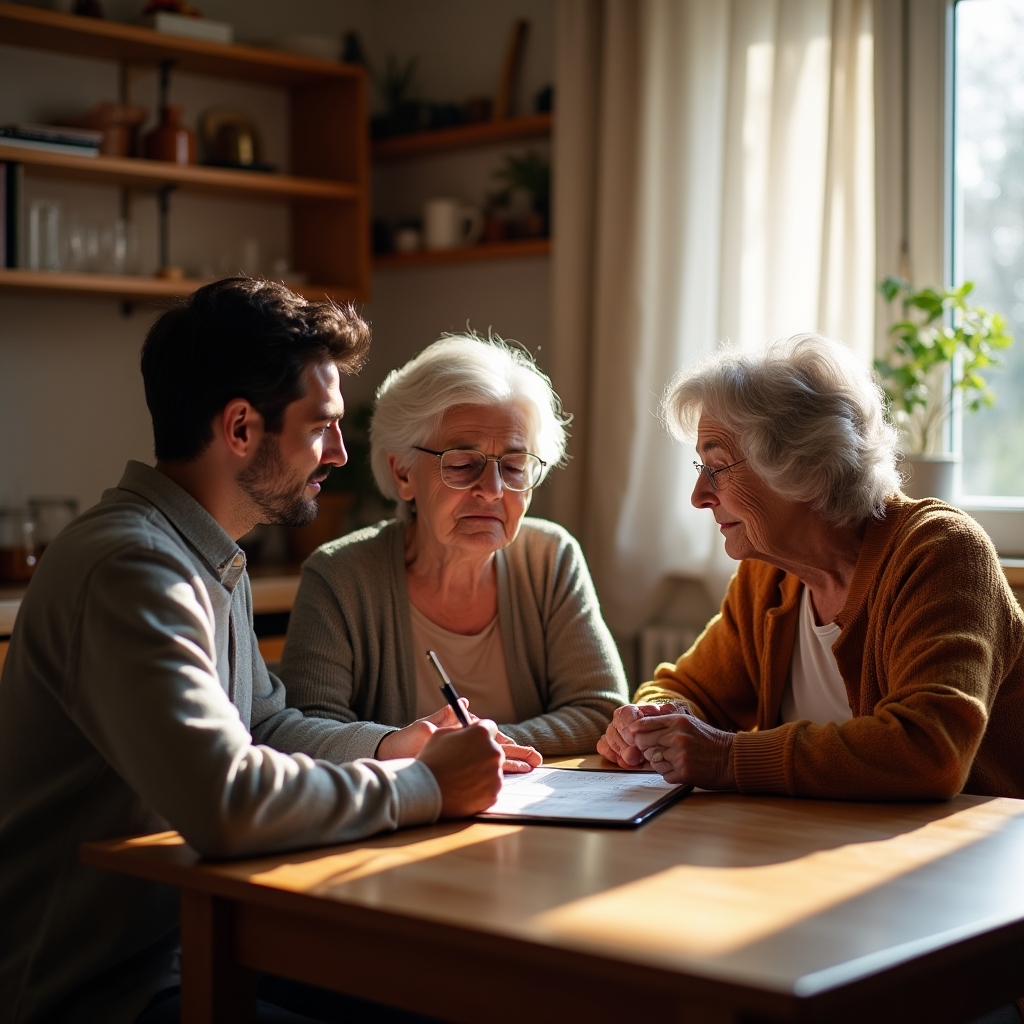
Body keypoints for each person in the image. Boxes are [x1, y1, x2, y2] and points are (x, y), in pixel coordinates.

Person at [0, 279, 505, 1024]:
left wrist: (399, 746)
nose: (338, 451)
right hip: (99, 990)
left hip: (204, 940)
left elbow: (264, 727)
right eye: (320, 426)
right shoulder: (132, 569)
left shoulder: (206, 555)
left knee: (449, 994)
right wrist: (425, 787)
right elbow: (226, 800)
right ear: (240, 428)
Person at [598, 333, 1024, 800]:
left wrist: (726, 756)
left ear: (801, 465)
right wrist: (652, 721)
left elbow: (927, 751)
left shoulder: (939, 552)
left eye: (717, 468)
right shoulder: (770, 576)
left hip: (966, 857)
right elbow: (686, 688)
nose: (699, 496)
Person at [280, 333, 628, 762]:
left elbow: (600, 709)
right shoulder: (339, 576)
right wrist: (425, 753)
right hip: (402, 816)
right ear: (403, 474)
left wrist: (482, 746)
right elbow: (305, 731)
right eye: (464, 465)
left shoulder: (551, 558)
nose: (493, 490)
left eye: (515, 467)